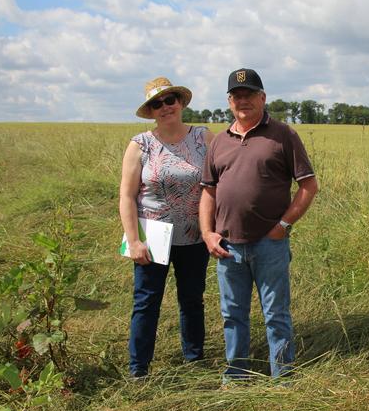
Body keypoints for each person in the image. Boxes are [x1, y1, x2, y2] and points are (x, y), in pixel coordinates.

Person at [199, 68, 318, 381]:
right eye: (237, 96)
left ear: (263, 98)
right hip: (227, 247)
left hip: (269, 244)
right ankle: (236, 375)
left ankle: (283, 376)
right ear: (229, 101)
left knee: (276, 315)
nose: (243, 101)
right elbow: (208, 192)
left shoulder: (283, 135)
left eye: (249, 95)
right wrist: (207, 233)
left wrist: (283, 225)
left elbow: (309, 186)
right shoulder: (219, 142)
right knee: (232, 315)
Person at [119, 76, 214, 378]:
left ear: (181, 102)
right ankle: (139, 369)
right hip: (153, 237)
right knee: (146, 302)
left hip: (195, 236)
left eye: (169, 100)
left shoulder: (203, 137)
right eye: (156, 104)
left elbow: (216, 185)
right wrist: (134, 241)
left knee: (192, 299)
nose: (165, 107)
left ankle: (195, 360)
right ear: (151, 110)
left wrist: (213, 228)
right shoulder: (140, 144)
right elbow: (126, 195)